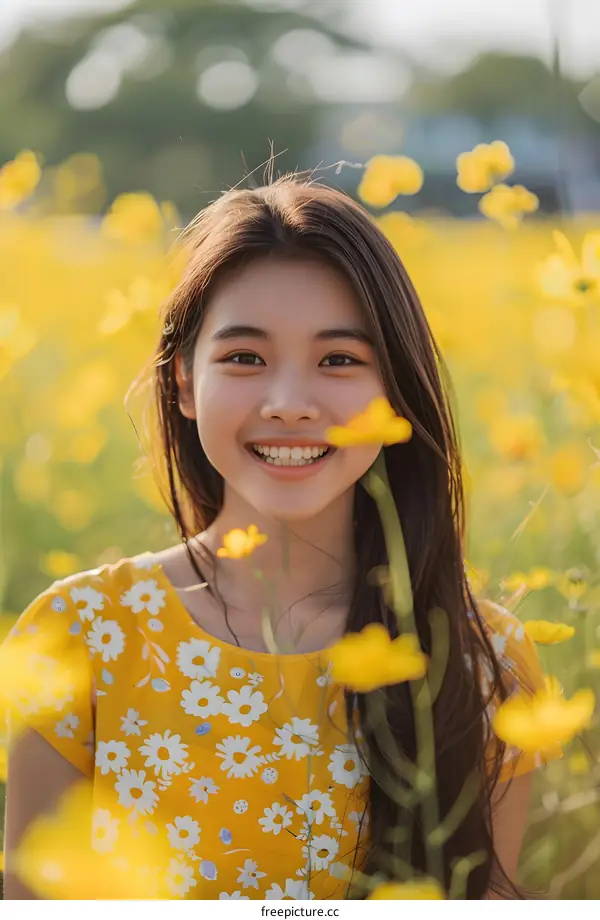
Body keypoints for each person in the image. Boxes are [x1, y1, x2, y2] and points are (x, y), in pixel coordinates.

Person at [2, 174, 560, 900]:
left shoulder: (486, 663)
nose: (290, 404)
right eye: (244, 358)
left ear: (396, 387)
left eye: (338, 360)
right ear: (182, 383)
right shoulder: (79, 637)